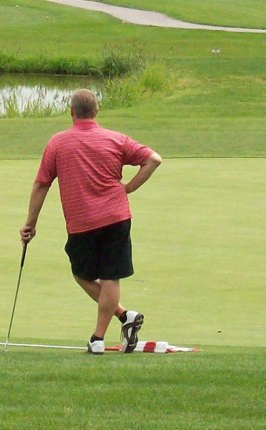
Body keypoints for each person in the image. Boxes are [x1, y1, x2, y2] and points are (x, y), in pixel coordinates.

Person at [20, 89, 162, 355]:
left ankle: (98, 338)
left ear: (71, 112)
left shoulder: (58, 143)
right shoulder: (116, 139)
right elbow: (153, 159)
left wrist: (31, 223)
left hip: (82, 221)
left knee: (84, 274)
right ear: (96, 112)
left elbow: (41, 184)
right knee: (105, 276)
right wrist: (128, 188)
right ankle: (124, 316)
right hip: (116, 216)